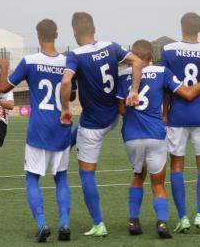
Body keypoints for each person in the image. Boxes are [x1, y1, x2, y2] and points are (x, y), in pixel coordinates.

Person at [117, 40, 200, 239]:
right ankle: (162, 222)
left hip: (131, 136)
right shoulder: (162, 72)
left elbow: (121, 109)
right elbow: (186, 93)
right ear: (151, 57)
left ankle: (133, 221)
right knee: (158, 183)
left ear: (133, 57)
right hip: (156, 135)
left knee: (138, 176)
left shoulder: (122, 75)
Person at [60, 12, 143, 237]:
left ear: (75, 32)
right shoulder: (111, 46)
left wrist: (65, 108)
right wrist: (133, 90)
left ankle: (98, 224)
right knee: (77, 134)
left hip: (93, 126)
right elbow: (136, 61)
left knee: (86, 174)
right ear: (94, 28)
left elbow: (66, 81)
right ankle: (67, 142)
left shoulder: (75, 55)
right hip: (113, 117)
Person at [0, 19, 76, 243]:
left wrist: (3, 66)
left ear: (38, 36)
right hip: (61, 126)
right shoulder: (69, 62)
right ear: (57, 35)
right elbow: (70, 95)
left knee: (32, 178)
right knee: (61, 177)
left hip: (39, 129)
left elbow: (3, 89)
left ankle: (42, 224)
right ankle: (65, 224)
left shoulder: (29, 61)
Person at [162, 13, 200, 233]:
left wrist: (165, 112)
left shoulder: (168, 50)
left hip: (177, 115)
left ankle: (183, 217)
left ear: (181, 26)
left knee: (177, 166)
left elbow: (166, 86)